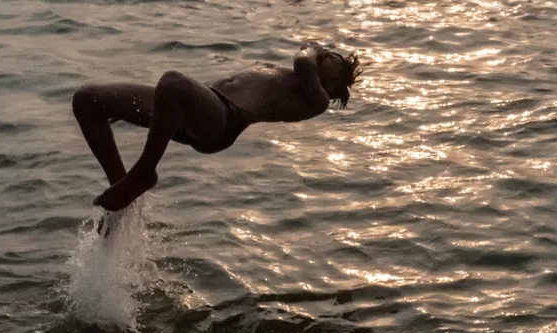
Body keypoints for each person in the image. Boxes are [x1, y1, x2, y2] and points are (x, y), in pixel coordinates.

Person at [72, 42, 362, 212]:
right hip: (193, 110)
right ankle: (120, 187)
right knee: (87, 99)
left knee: (172, 81)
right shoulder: (289, 76)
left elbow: (303, 63)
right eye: (325, 53)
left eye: (332, 60)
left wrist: (311, 47)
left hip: (223, 121)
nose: (325, 55)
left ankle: (143, 173)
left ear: (334, 83)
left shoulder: (318, 98)